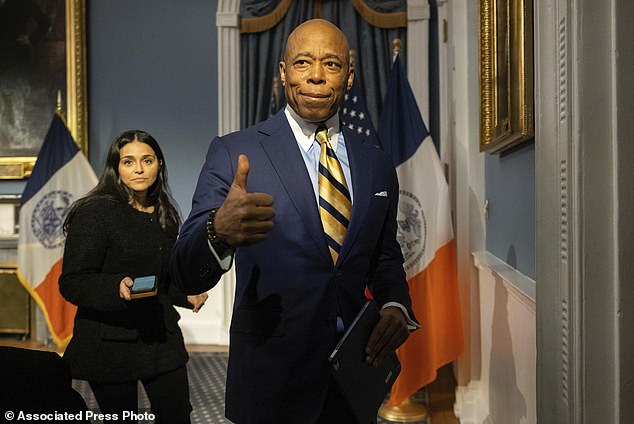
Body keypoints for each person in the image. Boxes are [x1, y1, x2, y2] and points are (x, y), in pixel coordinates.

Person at [171, 19, 419, 424]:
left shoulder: (376, 162)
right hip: (272, 383)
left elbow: (385, 256)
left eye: (332, 64)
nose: (317, 75)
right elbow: (184, 273)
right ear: (283, 73)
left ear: (350, 75)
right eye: (303, 63)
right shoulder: (234, 153)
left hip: (353, 382)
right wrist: (218, 232)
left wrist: (394, 303)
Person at [59, 130, 208, 424]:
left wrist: (185, 294)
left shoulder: (165, 212)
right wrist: (115, 286)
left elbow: (163, 278)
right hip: (109, 342)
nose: (139, 169)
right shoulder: (95, 212)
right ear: (116, 167)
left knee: (177, 415)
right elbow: (73, 282)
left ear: (159, 165)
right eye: (128, 162)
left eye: (147, 160)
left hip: (159, 335)